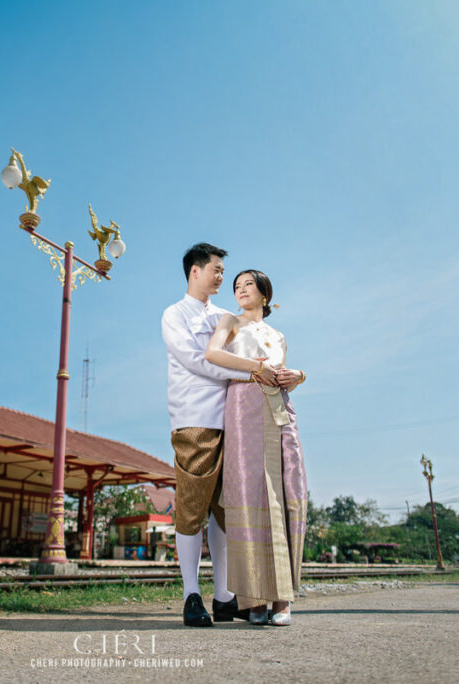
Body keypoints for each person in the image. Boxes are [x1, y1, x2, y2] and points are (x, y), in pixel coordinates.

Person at [161, 244, 296, 627]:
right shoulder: (174, 315)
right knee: (192, 507)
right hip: (195, 418)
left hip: (237, 419)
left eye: (225, 271)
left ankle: (223, 596)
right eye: (217, 270)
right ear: (195, 272)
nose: (223, 277)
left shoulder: (225, 317)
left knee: (227, 510)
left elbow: (259, 348)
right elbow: (197, 358)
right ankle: (191, 594)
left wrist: (287, 374)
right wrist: (251, 372)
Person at [204, 269, 306, 626]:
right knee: (248, 493)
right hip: (244, 405)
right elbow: (213, 354)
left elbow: (283, 373)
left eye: (248, 284)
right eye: (236, 286)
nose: (241, 290)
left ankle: (283, 598)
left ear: (264, 293)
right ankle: (253, 600)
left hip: (279, 410)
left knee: (285, 492)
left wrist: (298, 376)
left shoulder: (278, 335)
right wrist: (253, 369)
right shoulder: (230, 322)